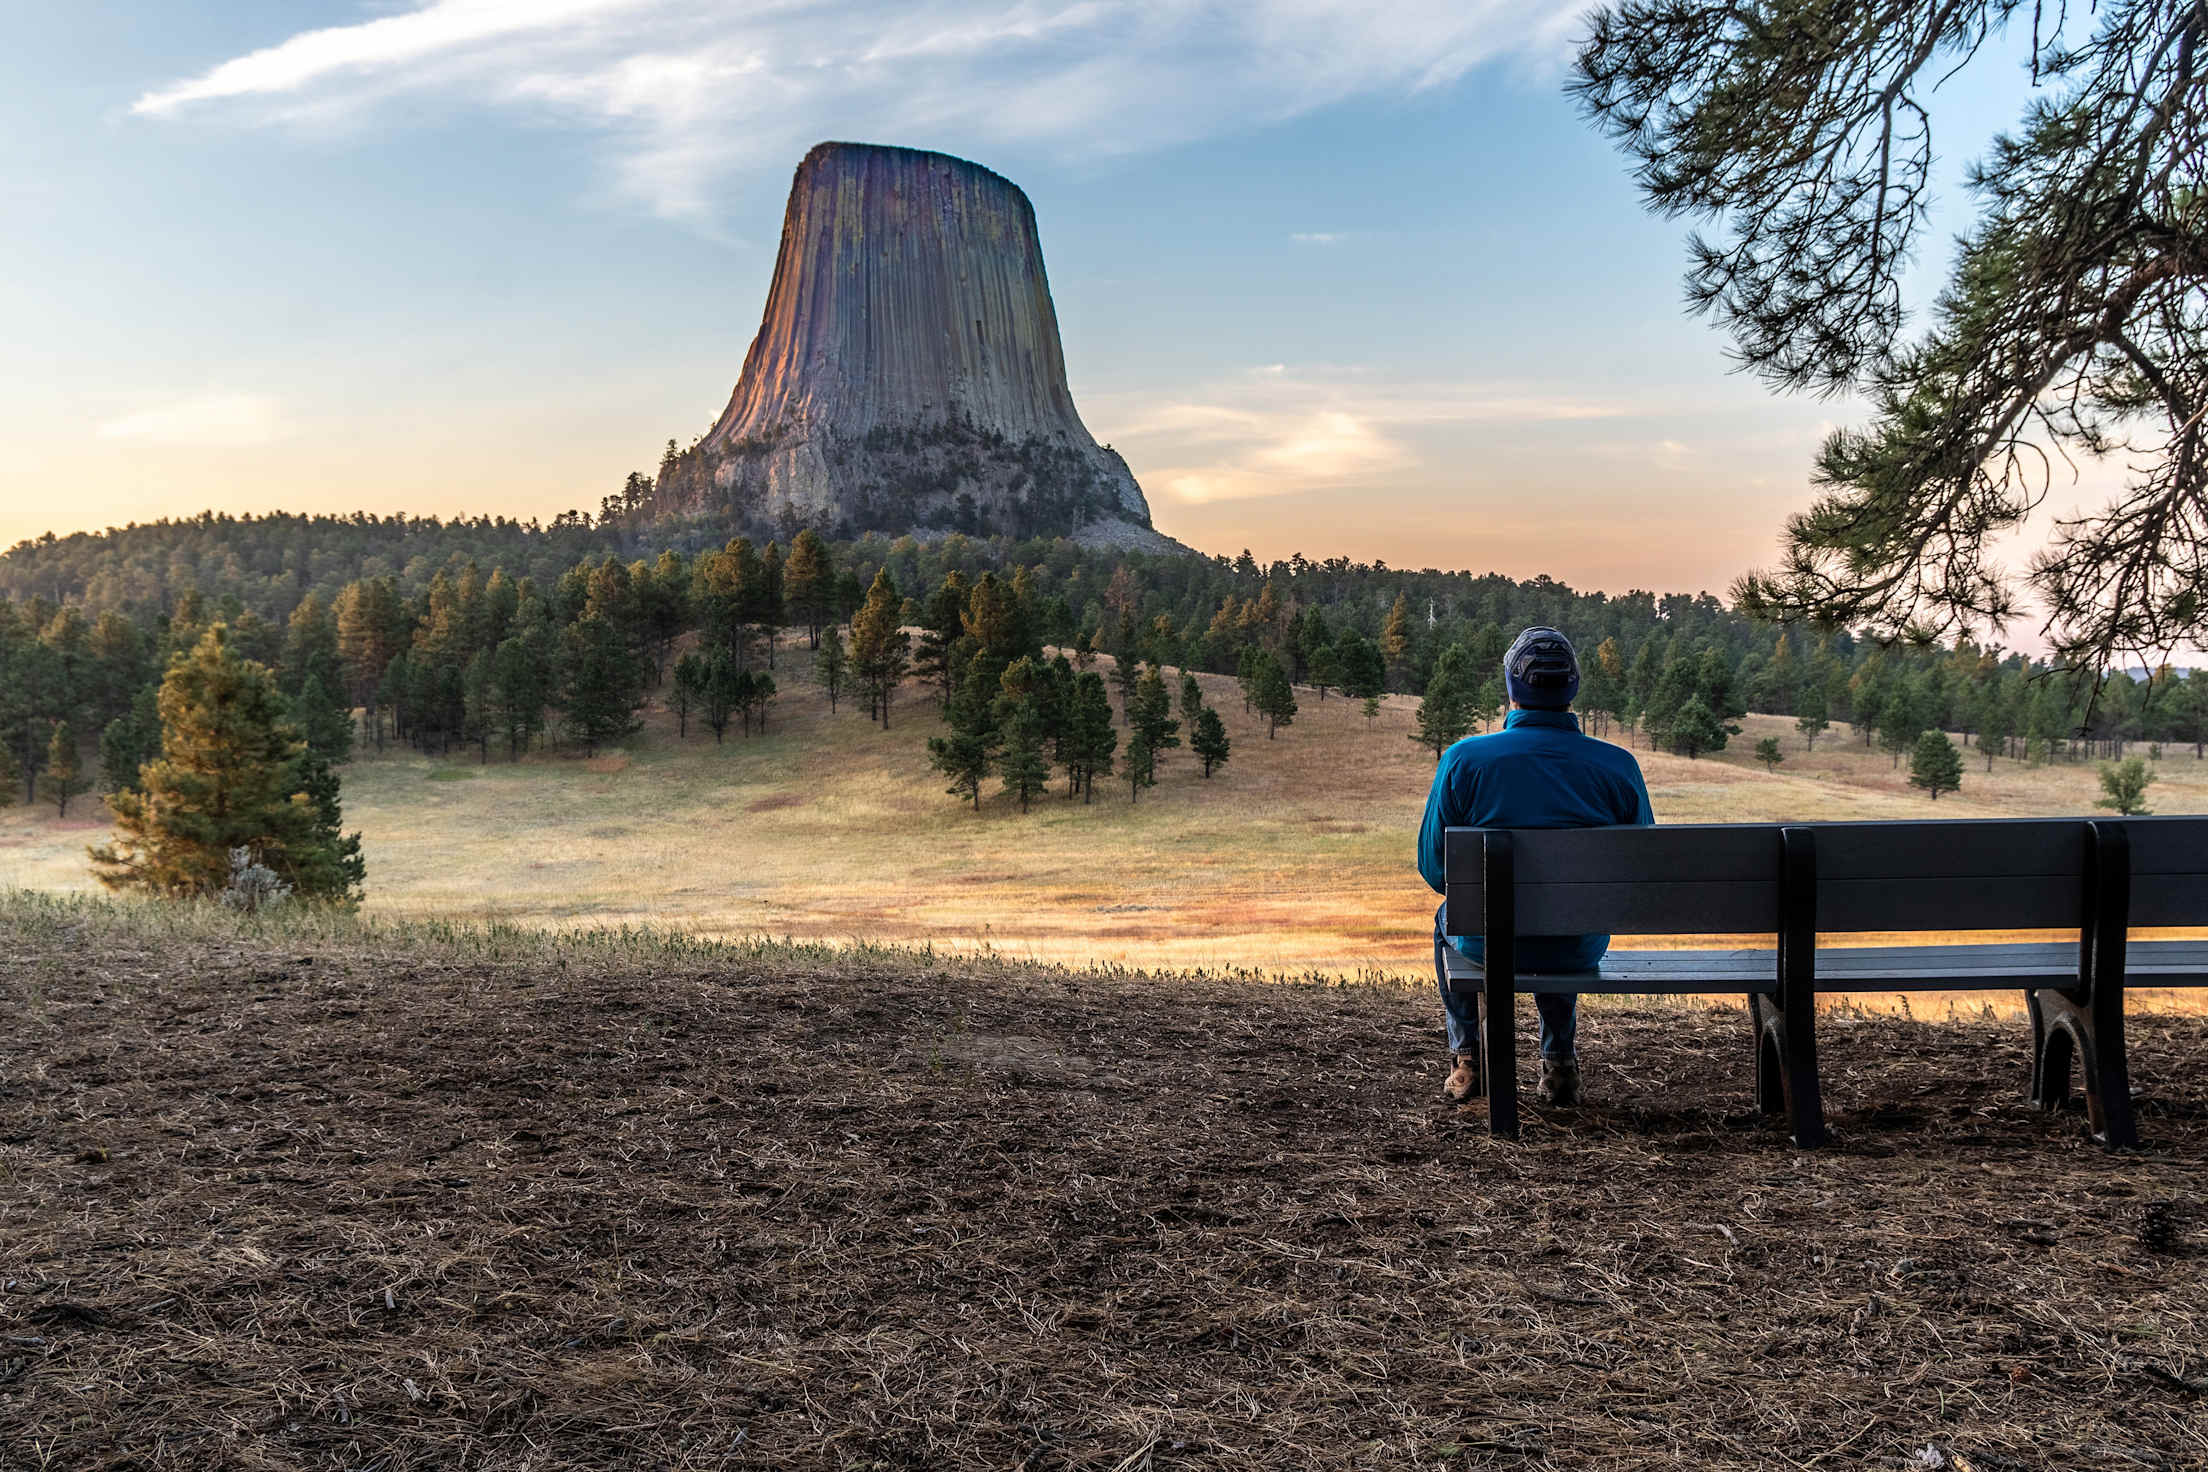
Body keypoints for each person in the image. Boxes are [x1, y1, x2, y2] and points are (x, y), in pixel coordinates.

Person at [1416, 627, 1652, 1107]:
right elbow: (1638, 868)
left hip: (1486, 944)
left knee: (1447, 920)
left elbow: (1436, 870)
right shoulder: (1617, 766)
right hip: (1578, 947)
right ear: (1573, 689)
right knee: (1568, 916)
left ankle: (1468, 1058)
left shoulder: (1464, 760)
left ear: (1510, 689)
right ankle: (1560, 1063)